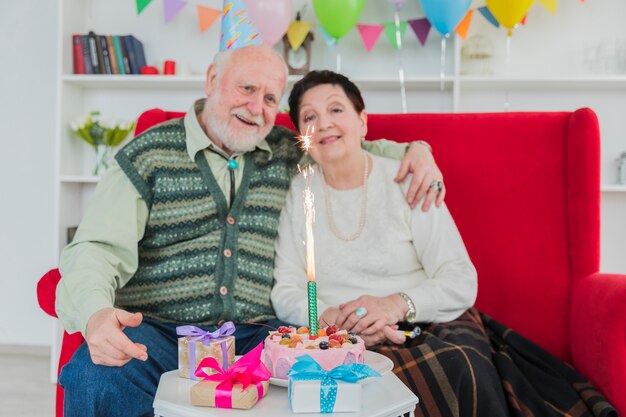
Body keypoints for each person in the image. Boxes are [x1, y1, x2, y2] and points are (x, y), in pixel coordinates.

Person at [55, 44, 445, 416]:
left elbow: (350, 147)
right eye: (247, 88)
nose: (257, 108)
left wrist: (417, 149)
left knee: (324, 379)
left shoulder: (285, 148)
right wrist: (95, 314)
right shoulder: (148, 154)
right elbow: (96, 248)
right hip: (157, 332)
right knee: (96, 379)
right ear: (211, 80)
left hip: (259, 333)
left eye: (271, 98)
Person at [272, 70, 616, 417]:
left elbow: (460, 278)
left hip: (423, 322)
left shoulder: (408, 179)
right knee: (350, 384)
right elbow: (286, 288)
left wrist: (395, 305)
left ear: (362, 121)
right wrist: (332, 320)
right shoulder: (298, 194)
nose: (324, 124)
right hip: (336, 333)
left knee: (457, 368)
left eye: (336, 110)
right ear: (302, 135)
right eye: (310, 117)